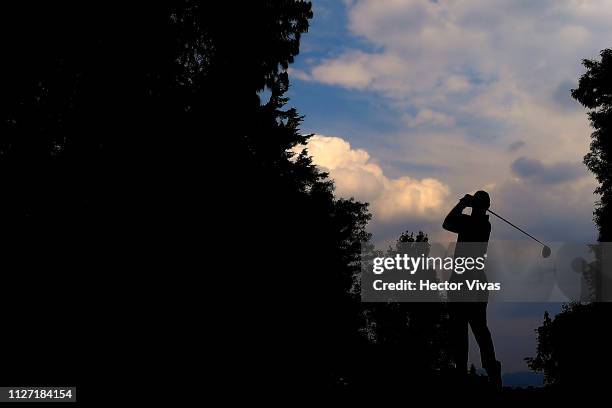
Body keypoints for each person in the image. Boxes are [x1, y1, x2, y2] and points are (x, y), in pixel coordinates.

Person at [442, 190, 502, 389]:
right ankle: (490, 373)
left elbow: (447, 222)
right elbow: (450, 222)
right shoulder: (483, 224)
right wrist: (469, 203)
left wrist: (461, 203)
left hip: (464, 283)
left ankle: (478, 373)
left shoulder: (474, 223)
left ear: (478, 206)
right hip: (473, 283)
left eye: (476, 204)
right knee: (476, 330)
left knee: (471, 330)